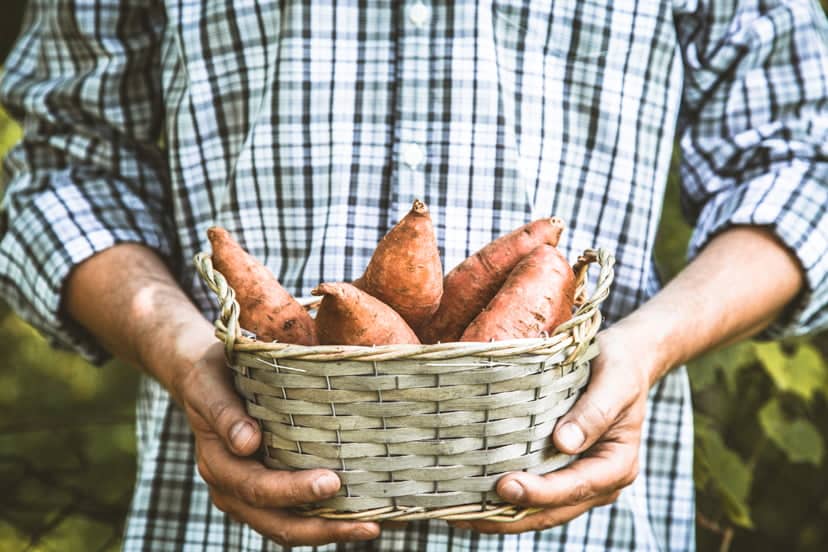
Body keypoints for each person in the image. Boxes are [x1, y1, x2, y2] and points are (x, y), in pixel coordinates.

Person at [1, 0, 826, 550]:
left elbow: (803, 166)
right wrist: (179, 350)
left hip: (586, 523)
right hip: (219, 517)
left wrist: (646, 346)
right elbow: (64, 173)